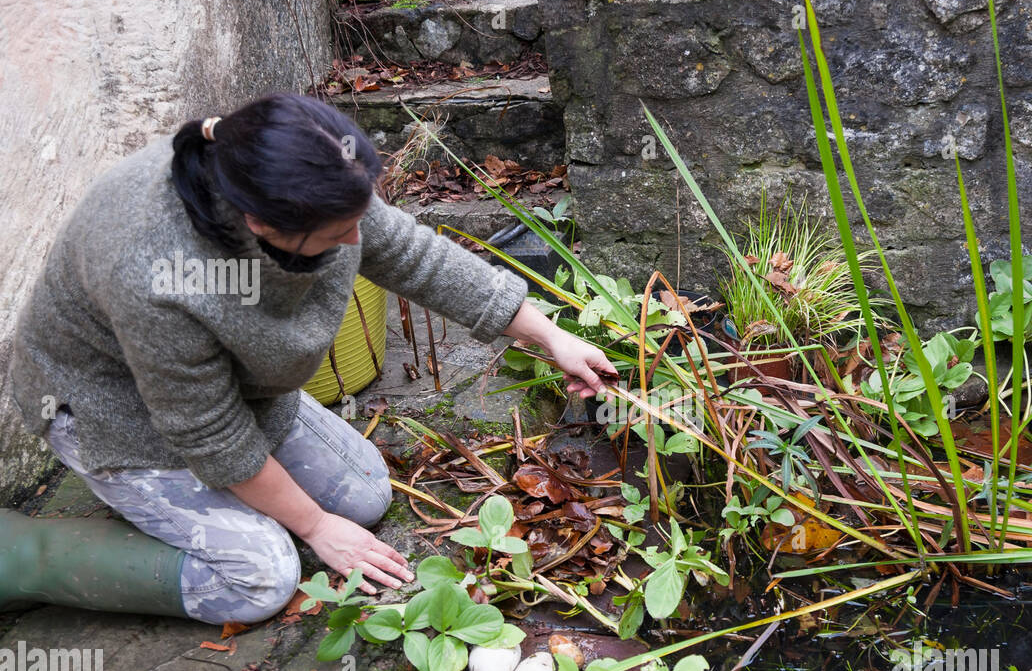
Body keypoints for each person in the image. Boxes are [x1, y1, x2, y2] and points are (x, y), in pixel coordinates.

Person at [1, 92, 615, 624]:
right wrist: (315, 528)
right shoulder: (151, 268)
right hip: (115, 411)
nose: (356, 241)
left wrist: (549, 336)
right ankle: (26, 555)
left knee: (367, 495)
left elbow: (418, 258)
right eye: (336, 234)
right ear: (260, 223)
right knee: (261, 577)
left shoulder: (307, 175)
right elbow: (206, 431)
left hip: (232, 390)